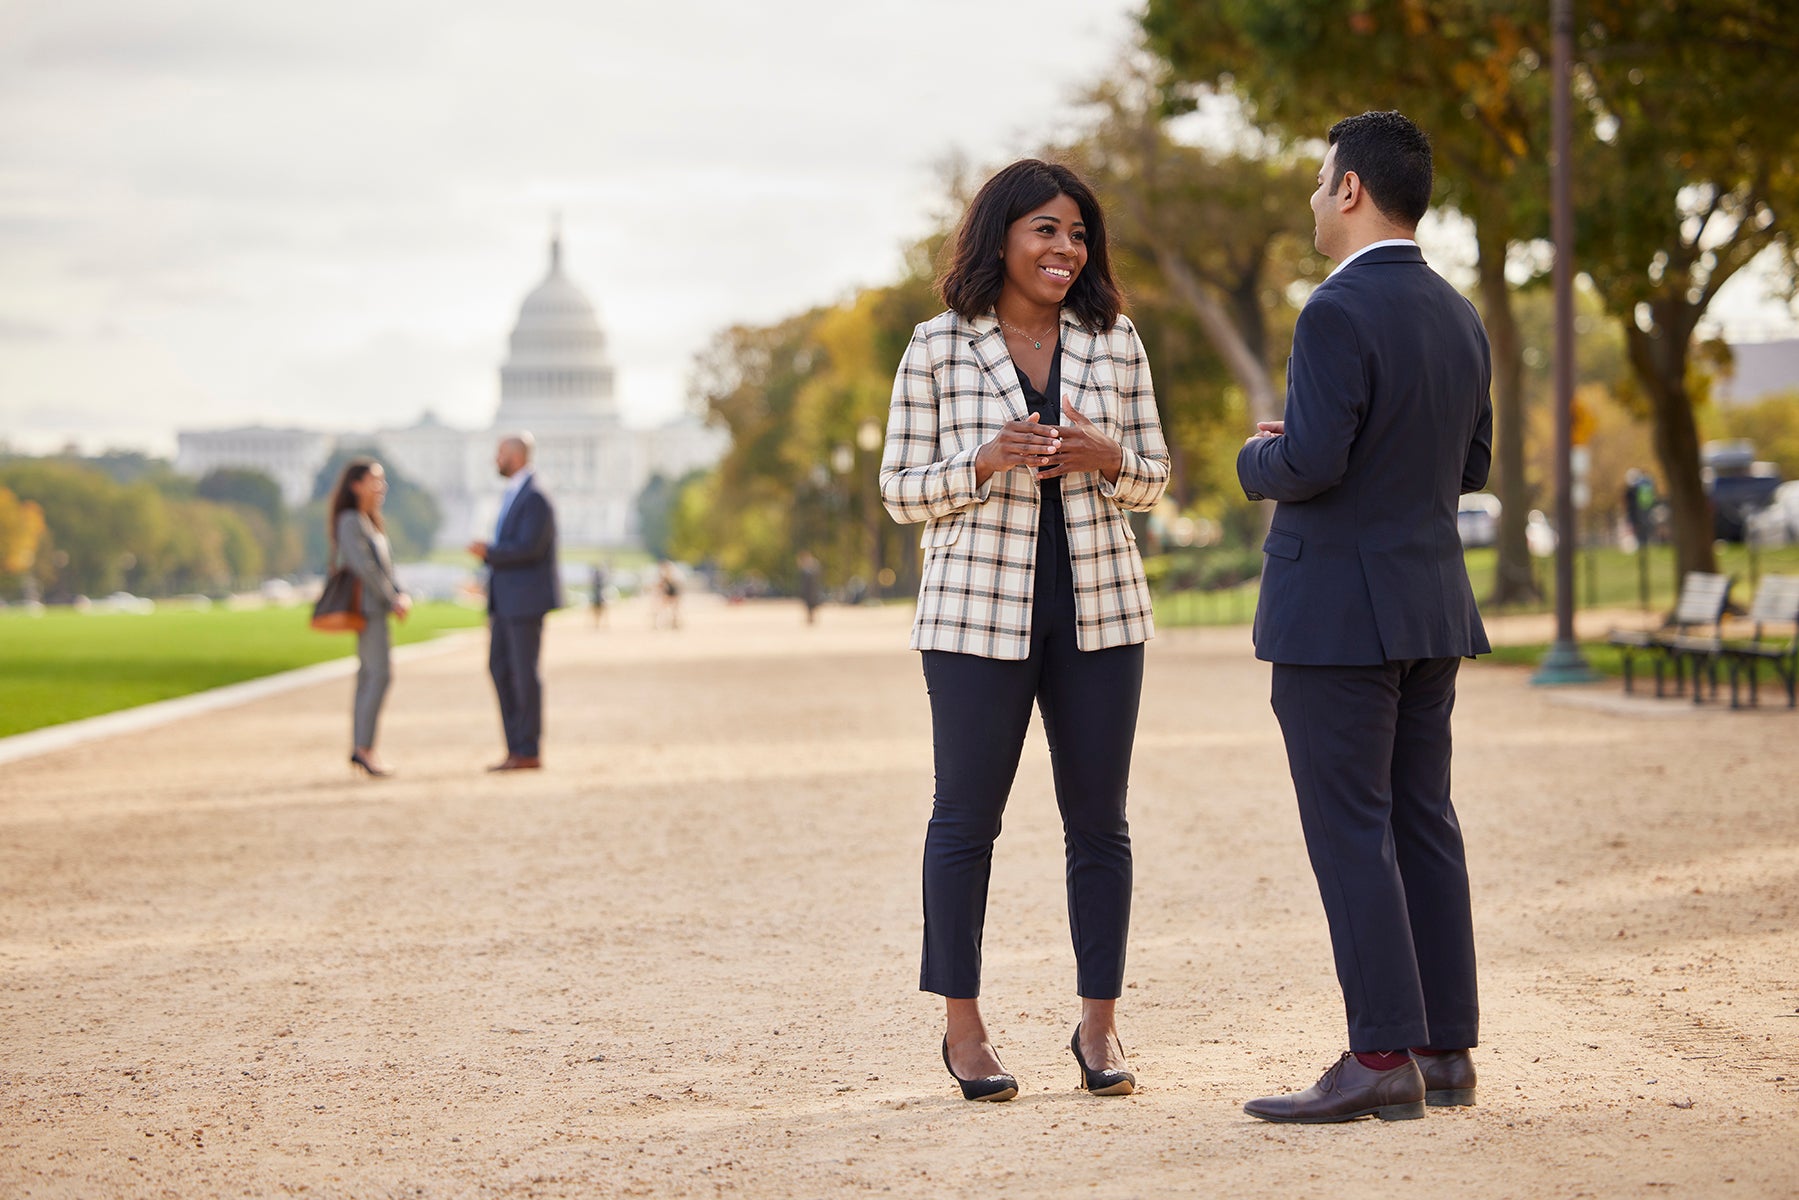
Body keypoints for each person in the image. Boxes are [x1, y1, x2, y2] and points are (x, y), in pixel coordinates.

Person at [880, 159, 1170, 1102]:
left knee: (1101, 826)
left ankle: (1099, 1028)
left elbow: (1155, 476)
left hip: (1100, 610)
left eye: (1077, 233)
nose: (1064, 249)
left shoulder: (1113, 339)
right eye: (1045, 229)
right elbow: (896, 490)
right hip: (973, 616)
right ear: (1001, 235)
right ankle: (964, 1032)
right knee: (965, 822)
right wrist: (981, 459)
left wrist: (1105, 454)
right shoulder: (935, 346)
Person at [1235, 111, 1493, 1124]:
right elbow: (1465, 468)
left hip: (1337, 613)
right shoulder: (1458, 313)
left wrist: (1260, 456)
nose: (1309, 198)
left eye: (1316, 180)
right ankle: (1443, 1050)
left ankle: (1380, 1053)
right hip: (1429, 605)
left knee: (1351, 831)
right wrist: (1310, 442)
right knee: (1422, 822)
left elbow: (1307, 465)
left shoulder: (1331, 313)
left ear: (1348, 189)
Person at [468, 433, 561, 772]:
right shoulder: (517, 492)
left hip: (524, 601)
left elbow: (530, 548)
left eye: (500, 454)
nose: (496, 460)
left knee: (524, 674)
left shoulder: (535, 495)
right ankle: (515, 746)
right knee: (501, 670)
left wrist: (488, 552)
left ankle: (528, 748)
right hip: (507, 600)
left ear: (517, 456)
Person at [329, 457, 411, 777]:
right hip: (369, 609)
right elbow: (366, 569)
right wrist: (392, 599)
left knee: (371, 675)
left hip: (377, 607)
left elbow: (386, 568)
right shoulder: (351, 520)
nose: (382, 487)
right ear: (356, 485)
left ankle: (362, 747)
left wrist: (399, 592)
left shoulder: (367, 520)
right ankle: (364, 748)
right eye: (375, 480)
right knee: (377, 675)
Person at [797, 551, 823, 625]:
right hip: (810, 591)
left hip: (811, 591)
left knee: (811, 605)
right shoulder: (812, 567)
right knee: (809, 606)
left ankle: (811, 618)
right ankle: (810, 618)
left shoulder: (810, 568)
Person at [589, 560, 609, 629]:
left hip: (599, 596)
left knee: (600, 610)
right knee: (599, 610)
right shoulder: (598, 579)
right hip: (598, 596)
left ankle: (601, 624)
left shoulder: (597, 579)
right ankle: (600, 623)